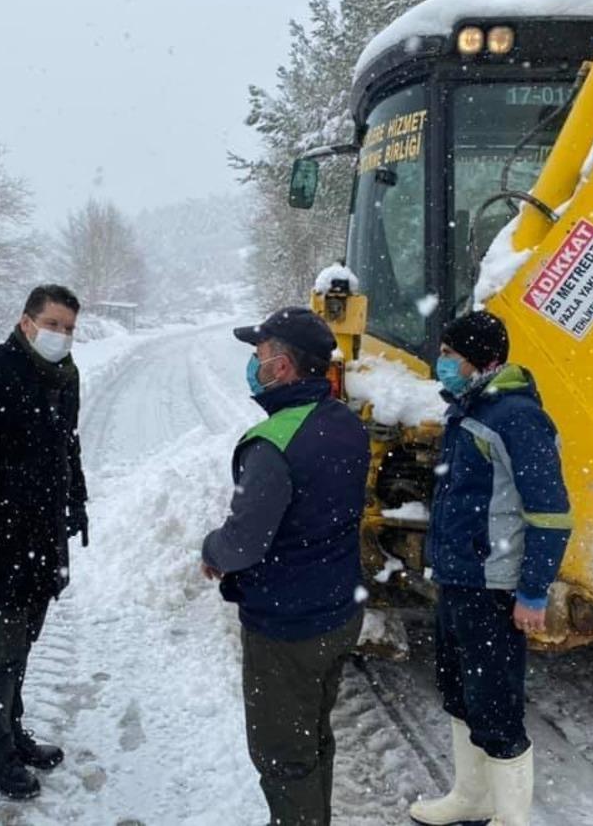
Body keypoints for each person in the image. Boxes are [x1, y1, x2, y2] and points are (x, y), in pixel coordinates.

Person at [202, 306, 370, 826]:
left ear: (282, 367)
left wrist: (212, 551)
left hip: (286, 627)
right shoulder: (345, 422)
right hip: (338, 611)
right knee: (315, 735)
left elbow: (243, 543)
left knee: (282, 754)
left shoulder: (273, 443)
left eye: (259, 356)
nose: (254, 366)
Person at [410, 310, 572, 826]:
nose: (442, 364)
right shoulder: (470, 410)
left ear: (485, 360)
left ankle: (511, 819)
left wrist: (533, 592)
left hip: (494, 586)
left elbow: (550, 512)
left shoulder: (516, 417)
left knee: (496, 705)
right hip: (460, 578)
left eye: (450, 355)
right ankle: (471, 797)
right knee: (458, 690)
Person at [0, 284, 88, 800]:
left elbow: (67, 445)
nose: (62, 336)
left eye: (70, 328)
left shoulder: (65, 377)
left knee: (26, 640)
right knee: (3, 650)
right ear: (27, 322)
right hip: (2, 540)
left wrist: (77, 500)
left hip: (43, 536)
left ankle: (14, 732)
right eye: (53, 324)